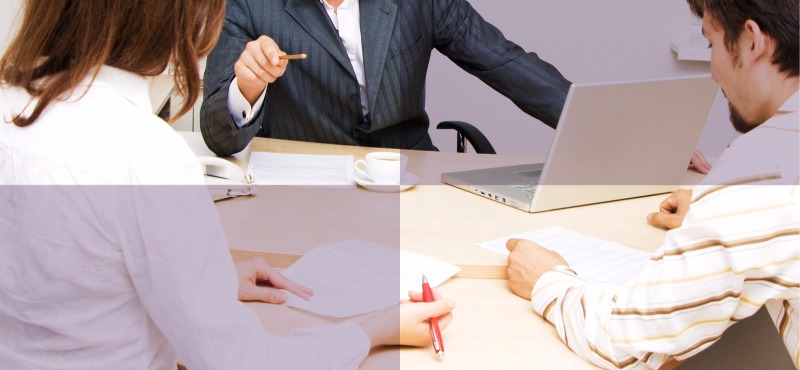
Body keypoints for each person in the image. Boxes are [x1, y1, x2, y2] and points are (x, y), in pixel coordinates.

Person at [0, 1, 453, 369]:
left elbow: (61, 278)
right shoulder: (147, 155)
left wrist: (204, 279)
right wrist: (372, 329)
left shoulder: (12, 108)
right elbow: (241, 361)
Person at [505, 0, 799, 368]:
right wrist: (720, 220)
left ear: (752, 41)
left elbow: (631, 340)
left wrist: (548, 281)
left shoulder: (762, 169)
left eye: (712, 43)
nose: (713, 73)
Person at [199, 0, 573, 156]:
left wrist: (595, 124)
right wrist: (247, 88)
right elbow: (218, 136)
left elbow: (505, 62)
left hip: (409, 179)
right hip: (311, 186)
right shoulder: (247, 3)